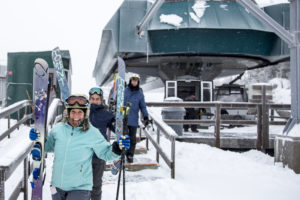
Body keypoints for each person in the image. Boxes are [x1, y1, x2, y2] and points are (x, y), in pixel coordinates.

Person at [29, 94, 130, 200]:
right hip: (57, 187)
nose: (76, 116)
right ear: (68, 113)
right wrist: (39, 139)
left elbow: (105, 153)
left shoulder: (92, 133)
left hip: (80, 188)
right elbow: (48, 147)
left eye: (80, 112)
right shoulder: (58, 129)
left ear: (85, 114)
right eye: (73, 112)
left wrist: (117, 148)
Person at [88, 87, 115, 200]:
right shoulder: (82, 113)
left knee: (96, 185)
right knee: (81, 187)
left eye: (97, 99)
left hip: (99, 155)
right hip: (82, 155)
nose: (95, 101)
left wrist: (121, 123)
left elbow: (117, 129)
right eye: (93, 98)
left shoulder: (106, 114)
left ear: (101, 100)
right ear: (89, 99)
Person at [124, 74, 149, 163]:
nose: (134, 82)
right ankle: (124, 153)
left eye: (136, 80)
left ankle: (130, 155)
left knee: (132, 139)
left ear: (138, 82)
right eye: (133, 80)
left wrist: (146, 116)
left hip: (134, 119)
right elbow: (119, 103)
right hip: (124, 119)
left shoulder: (140, 94)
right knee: (124, 138)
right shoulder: (124, 91)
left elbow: (143, 106)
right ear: (130, 81)